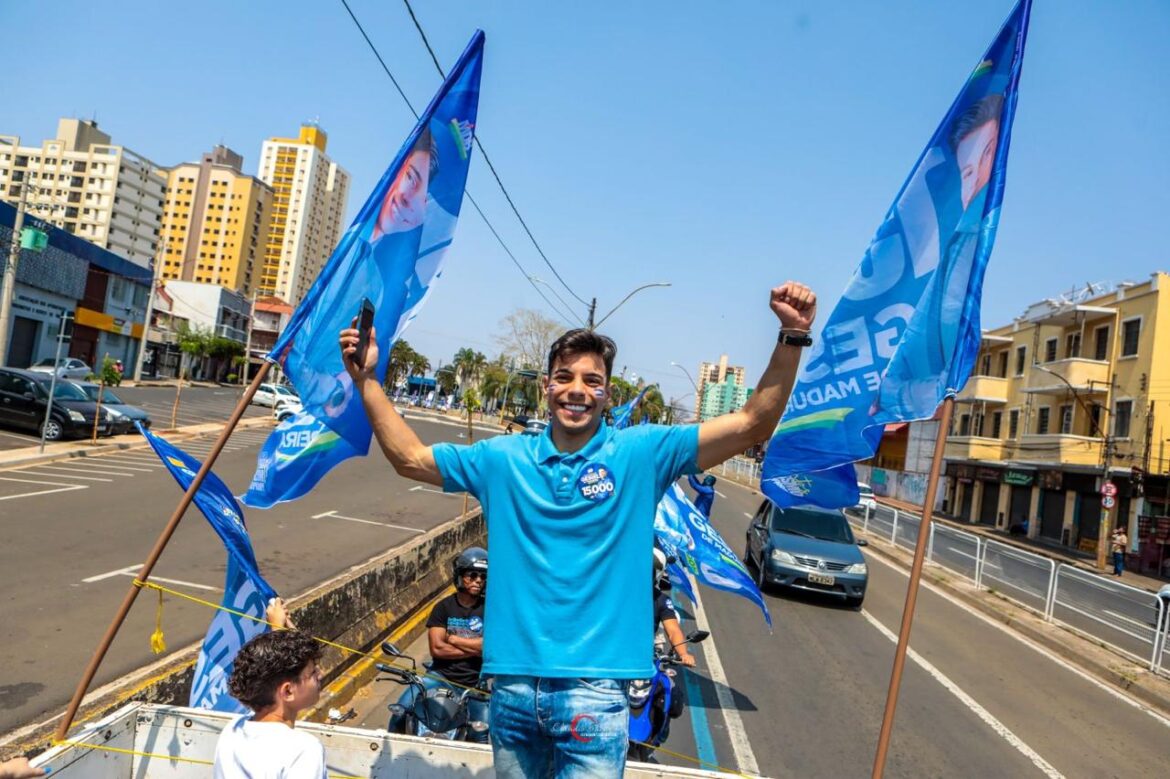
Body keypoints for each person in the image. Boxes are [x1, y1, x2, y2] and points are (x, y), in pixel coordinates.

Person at [339, 281, 816, 777]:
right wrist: (368, 380)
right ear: (546, 385)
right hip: (513, 690)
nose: (577, 390)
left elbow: (752, 423)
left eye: (592, 381)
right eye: (564, 377)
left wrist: (792, 335)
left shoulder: (643, 453)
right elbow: (410, 459)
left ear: (608, 394)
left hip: (596, 693)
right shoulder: (502, 459)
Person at [391, 546, 490, 741]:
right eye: (472, 575)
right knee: (400, 711)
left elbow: (489, 647)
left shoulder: (490, 610)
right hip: (439, 676)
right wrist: (475, 648)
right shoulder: (443, 607)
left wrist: (453, 639)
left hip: (475, 684)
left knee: (484, 733)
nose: (478, 580)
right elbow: (437, 649)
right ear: (461, 576)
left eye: (482, 576)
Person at [212, 629, 326, 779]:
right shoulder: (304, 750)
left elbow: (269, 667)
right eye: (312, 673)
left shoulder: (232, 730)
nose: (321, 674)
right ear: (288, 691)